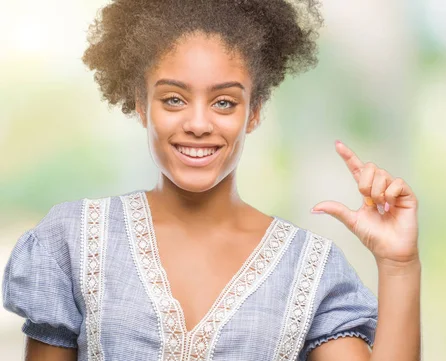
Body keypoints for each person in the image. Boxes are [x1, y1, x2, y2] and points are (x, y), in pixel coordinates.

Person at [2, 0, 422, 360]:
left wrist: (399, 265)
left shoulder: (310, 270)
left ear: (253, 112)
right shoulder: (73, 240)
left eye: (224, 102)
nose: (199, 123)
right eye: (173, 99)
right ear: (141, 105)